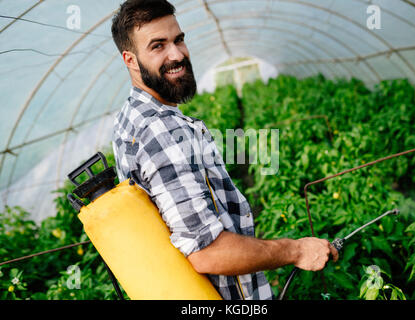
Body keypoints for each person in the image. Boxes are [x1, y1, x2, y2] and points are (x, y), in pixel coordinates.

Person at [111, 0, 338, 300]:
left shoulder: (130, 116)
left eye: (179, 39)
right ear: (130, 59)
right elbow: (207, 251)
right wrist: (296, 250)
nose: (177, 54)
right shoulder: (160, 130)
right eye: (158, 46)